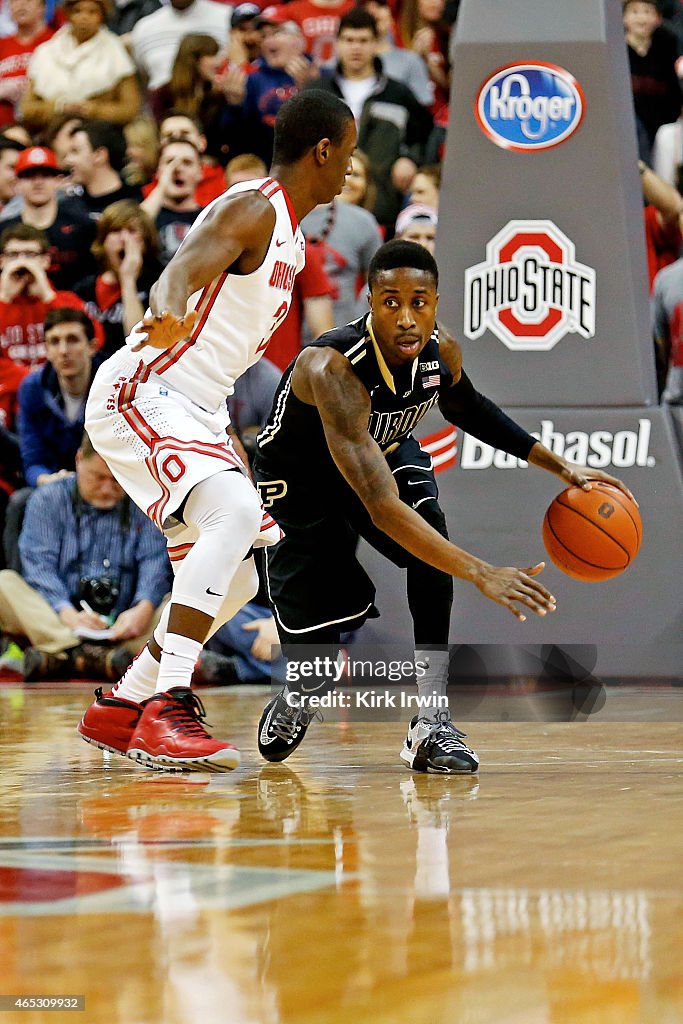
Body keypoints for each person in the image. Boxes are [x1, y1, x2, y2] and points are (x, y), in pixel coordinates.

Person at [252, 240, 634, 772]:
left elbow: (468, 408)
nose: (407, 318)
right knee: (314, 658)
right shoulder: (332, 369)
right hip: (301, 482)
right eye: (391, 303)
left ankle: (431, 719)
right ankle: (303, 692)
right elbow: (381, 507)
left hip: (378, 453)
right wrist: (482, 572)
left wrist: (561, 467)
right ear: (369, 301)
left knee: (430, 530)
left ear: (436, 301)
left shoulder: (439, 349)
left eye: (420, 302)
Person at [78, 89, 358, 773]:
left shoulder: (290, 232)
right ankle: (168, 705)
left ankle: (123, 704)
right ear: (323, 150)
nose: (350, 169)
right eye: (346, 155)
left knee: (233, 577)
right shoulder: (253, 207)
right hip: (144, 389)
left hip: (197, 409)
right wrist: (167, 305)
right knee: (231, 513)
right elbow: (179, 271)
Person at [0, 430, 171, 682]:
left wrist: (143, 607)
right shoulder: (47, 499)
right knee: (4, 583)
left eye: (117, 480)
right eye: (98, 477)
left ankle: (59, 656)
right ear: (79, 460)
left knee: (176, 605)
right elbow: (38, 567)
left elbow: (155, 563)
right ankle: (86, 655)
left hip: (126, 626)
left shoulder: (144, 500)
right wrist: (66, 612)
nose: (106, 488)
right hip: (59, 619)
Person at [311, 8, 433, 231]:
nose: (356, 47)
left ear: (377, 44)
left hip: (383, 209)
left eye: (364, 40)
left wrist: (410, 159)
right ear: (337, 43)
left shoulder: (399, 94)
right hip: (322, 207)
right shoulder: (316, 92)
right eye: (349, 40)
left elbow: (425, 134)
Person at [21, 0, 140, 130]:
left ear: (102, 16)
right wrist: (60, 107)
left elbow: (130, 109)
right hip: (50, 131)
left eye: (92, 12)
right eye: (77, 11)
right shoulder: (45, 52)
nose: (84, 17)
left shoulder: (116, 51)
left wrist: (95, 110)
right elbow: (27, 109)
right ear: (68, 14)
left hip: (101, 132)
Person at [0, 222, 103, 368]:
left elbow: (96, 340)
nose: (21, 262)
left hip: (57, 386)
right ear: (2, 261)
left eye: (30, 255)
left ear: (45, 260)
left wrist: (48, 296)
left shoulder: (67, 300)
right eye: (13, 255)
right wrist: (4, 300)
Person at [0, 144, 96, 292]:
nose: (38, 182)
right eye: (30, 176)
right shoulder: (4, 230)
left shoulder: (82, 225)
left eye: (45, 175)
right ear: (17, 182)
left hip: (72, 308)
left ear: (58, 180)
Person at [75, 199, 163, 357]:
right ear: (103, 240)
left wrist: (128, 281)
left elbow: (138, 343)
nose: (124, 238)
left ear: (145, 241)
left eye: (132, 231)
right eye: (115, 231)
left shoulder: (158, 285)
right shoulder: (83, 288)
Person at [140, 139, 203, 266]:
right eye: (169, 162)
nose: (177, 169)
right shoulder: (145, 210)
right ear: (158, 171)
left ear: (200, 172)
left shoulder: (210, 216)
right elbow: (133, 227)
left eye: (187, 162)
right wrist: (162, 186)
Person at [64, 120, 142, 221]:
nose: (67, 160)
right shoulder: (70, 208)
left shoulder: (136, 203)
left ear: (99, 155)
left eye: (75, 151)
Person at [0, 0, 54, 129]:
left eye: (28, 0)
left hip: (41, 126)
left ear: (42, 7)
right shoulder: (2, 44)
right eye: (15, 1)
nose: (21, 5)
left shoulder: (55, 42)